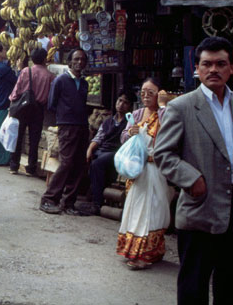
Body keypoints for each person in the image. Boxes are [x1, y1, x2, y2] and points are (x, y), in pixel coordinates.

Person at [154, 36, 233, 304]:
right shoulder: (182, 107)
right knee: (193, 288)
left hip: (231, 212)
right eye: (207, 64)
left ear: (231, 68)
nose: (214, 70)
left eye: (220, 64)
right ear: (196, 69)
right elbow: (163, 153)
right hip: (200, 211)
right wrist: (191, 178)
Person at [117, 78, 171, 270]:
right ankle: (133, 250)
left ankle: (147, 254)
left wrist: (163, 106)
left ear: (160, 94)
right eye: (143, 93)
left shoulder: (166, 113)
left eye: (151, 93)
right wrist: (130, 133)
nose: (146, 96)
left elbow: (168, 133)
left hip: (156, 170)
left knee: (152, 211)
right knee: (135, 210)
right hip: (138, 171)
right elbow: (123, 137)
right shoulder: (137, 114)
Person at [39, 48, 89, 216]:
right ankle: (48, 199)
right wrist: (64, 116)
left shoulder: (84, 83)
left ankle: (68, 203)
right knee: (66, 163)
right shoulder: (60, 80)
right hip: (67, 126)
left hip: (82, 125)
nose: (79, 62)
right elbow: (52, 103)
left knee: (78, 164)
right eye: (76, 59)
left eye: (82, 60)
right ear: (69, 62)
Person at [85, 91, 135, 215]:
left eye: (125, 102)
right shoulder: (108, 121)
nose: (121, 104)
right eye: (120, 100)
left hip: (117, 152)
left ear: (130, 106)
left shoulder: (130, 122)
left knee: (98, 163)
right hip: (103, 150)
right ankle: (88, 194)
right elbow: (98, 138)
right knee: (88, 158)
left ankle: (97, 203)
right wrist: (90, 149)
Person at [9, 48, 55, 176]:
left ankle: (14, 166)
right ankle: (31, 168)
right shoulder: (50, 76)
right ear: (45, 59)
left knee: (18, 137)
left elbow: (17, 90)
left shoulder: (25, 71)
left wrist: (12, 103)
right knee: (34, 140)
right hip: (38, 109)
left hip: (22, 108)